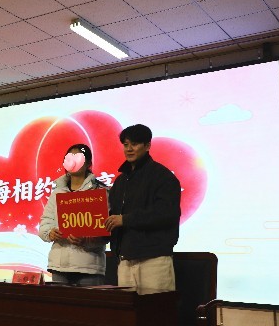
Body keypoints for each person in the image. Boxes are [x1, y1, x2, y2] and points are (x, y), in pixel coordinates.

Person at [104, 124, 181, 292]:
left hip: (154, 259)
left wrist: (125, 220)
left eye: (135, 144)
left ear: (147, 146)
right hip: (124, 260)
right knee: (127, 309)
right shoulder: (120, 181)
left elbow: (166, 214)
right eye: (126, 144)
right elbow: (111, 215)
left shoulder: (163, 177)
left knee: (155, 307)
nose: (129, 149)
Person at [39, 144, 108, 286]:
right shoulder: (57, 192)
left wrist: (86, 239)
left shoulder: (100, 192)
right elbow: (45, 224)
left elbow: (106, 231)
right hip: (59, 266)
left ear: (88, 163)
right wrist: (50, 233)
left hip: (89, 266)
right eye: (70, 158)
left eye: (79, 158)